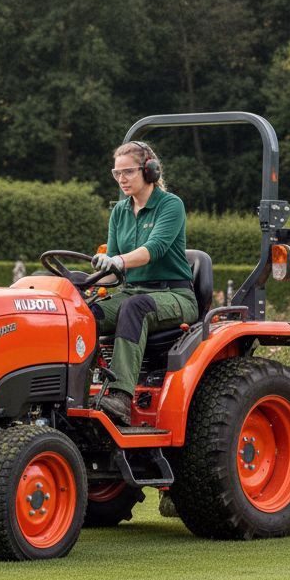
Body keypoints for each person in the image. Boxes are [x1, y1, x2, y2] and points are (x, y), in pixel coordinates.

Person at [89, 141, 198, 425]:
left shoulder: (171, 205)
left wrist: (119, 261)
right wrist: (89, 277)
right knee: (83, 313)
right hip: (130, 291)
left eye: (128, 172)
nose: (121, 179)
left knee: (135, 308)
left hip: (173, 295)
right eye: (117, 173)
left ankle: (121, 397)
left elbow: (155, 249)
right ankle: (76, 390)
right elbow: (113, 273)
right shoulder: (119, 212)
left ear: (149, 170)